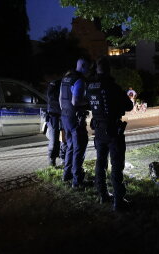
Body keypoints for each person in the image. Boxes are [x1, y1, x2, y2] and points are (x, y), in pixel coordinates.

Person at [87, 57, 133, 211]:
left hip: (98, 130)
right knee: (116, 165)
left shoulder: (91, 86)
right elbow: (129, 105)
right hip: (113, 131)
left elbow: (89, 104)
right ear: (109, 70)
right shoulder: (112, 86)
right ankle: (118, 200)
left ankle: (102, 194)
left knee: (100, 163)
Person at [59, 58, 90, 189]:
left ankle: (67, 174)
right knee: (79, 148)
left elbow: (60, 99)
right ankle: (77, 181)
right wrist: (88, 103)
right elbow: (76, 101)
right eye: (87, 67)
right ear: (82, 66)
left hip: (65, 116)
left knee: (70, 146)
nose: (88, 70)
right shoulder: (79, 80)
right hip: (76, 119)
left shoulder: (66, 79)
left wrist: (66, 113)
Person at [46, 78, 67, 166]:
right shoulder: (55, 83)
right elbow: (52, 99)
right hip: (55, 114)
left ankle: (63, 159)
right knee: (55, 138)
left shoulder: (63, 83)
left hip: (61, 114)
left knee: (63, 139)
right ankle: (53, 160)